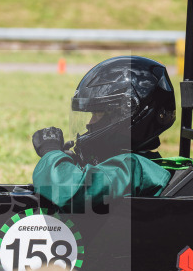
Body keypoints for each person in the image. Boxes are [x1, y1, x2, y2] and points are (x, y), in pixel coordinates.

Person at [31, 55, 177, 208]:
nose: (89, 123)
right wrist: (73, 163)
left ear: (125, 115)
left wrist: (51, 152)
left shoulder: (133, 167)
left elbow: (68, 191)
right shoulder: (138, 165)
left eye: (97, 114)